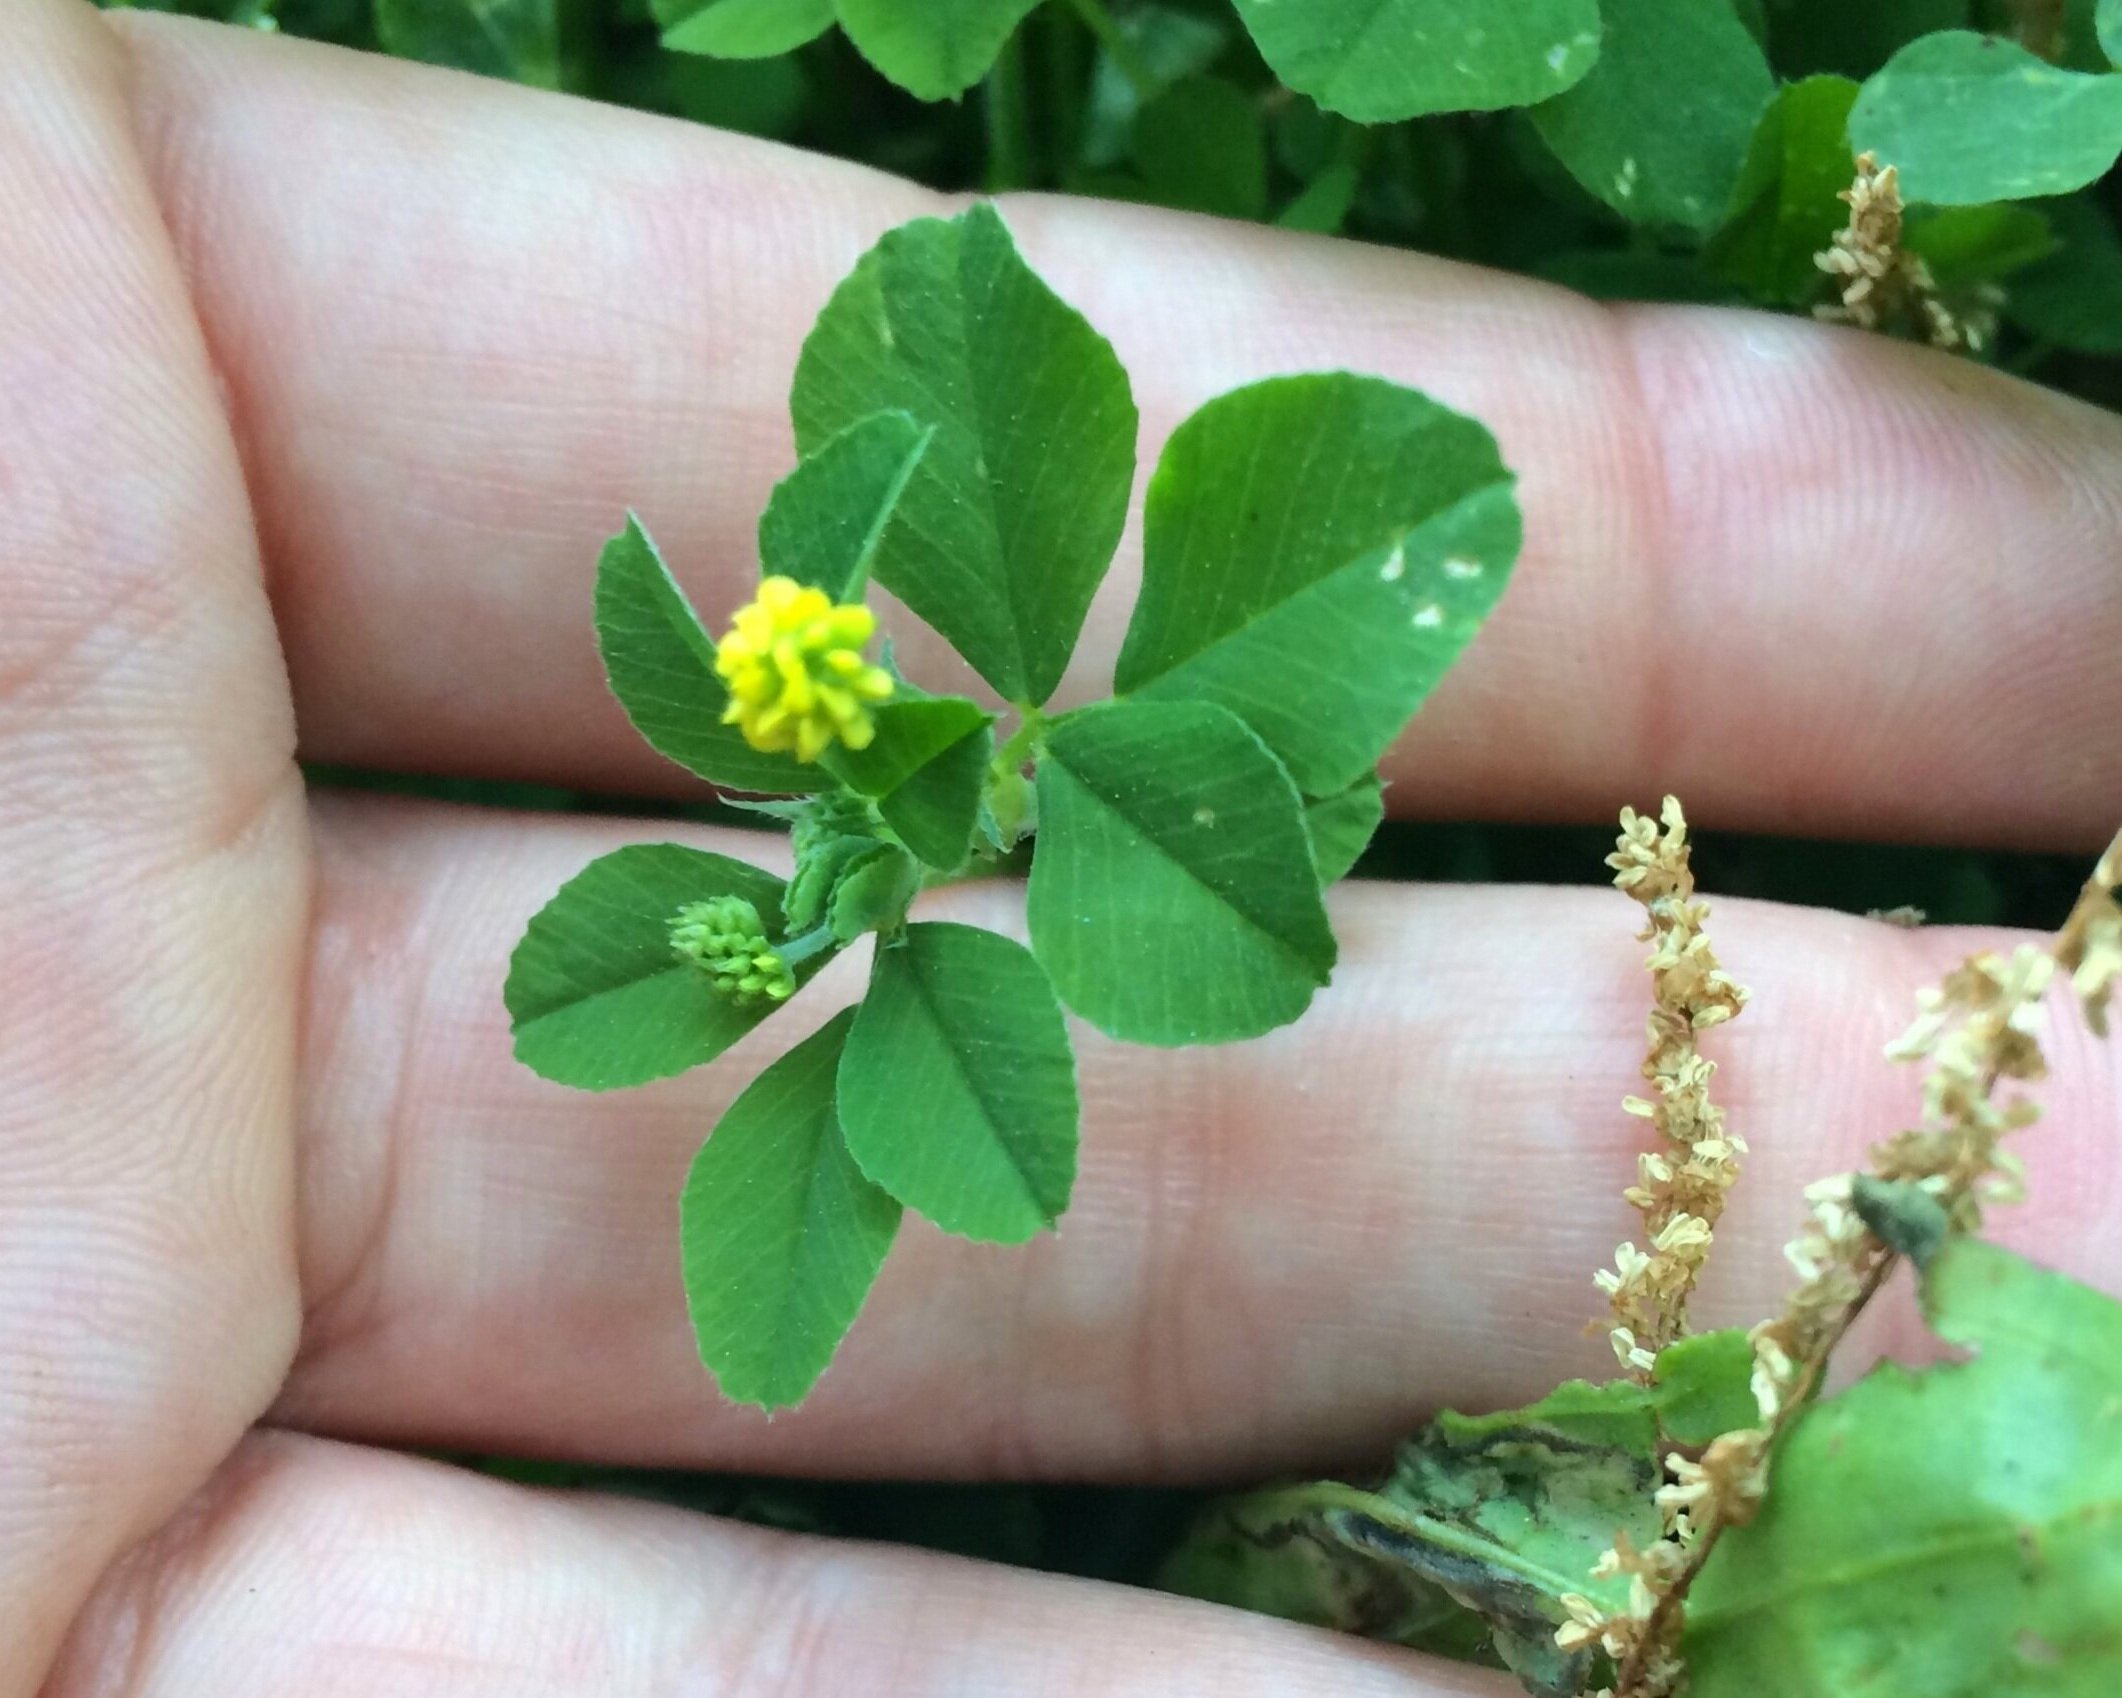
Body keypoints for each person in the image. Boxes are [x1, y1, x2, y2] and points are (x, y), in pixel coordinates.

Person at [7, 4, 2119, 1690]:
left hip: (1031, 779)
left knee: (1239, 780)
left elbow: (996, 780)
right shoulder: (841, 839)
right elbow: (873, 866)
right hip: (948, 837)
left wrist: (988, 778)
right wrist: (883, 861)